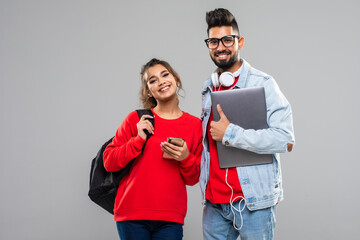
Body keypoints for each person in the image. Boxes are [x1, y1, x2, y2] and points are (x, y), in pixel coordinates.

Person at [199, 8, 295, 240]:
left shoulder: (263, 84)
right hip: (214, 204)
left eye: (227, 39)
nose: (220, 46)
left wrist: (231, 133)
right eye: (213, 41)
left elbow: (285, 139)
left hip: (253, 202)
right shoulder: (208, 88)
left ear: (239, 41)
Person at [103, 58, 203, 240]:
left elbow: (193, 178)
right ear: (148, 91)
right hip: (132, 214)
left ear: (176, 79)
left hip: (170, 216)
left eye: (165, 75)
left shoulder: (195, 125)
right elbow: (109, 162)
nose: (161, 81)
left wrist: (185, 157)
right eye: (153, 80)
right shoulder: (136, 119)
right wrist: (138, 139)